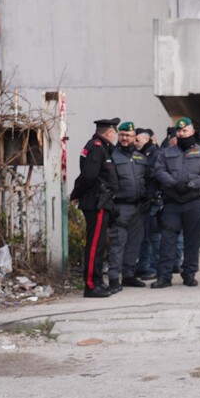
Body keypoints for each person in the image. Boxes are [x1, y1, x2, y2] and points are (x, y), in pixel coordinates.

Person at [151, 117, 200, 288]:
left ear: (192, 132)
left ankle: (189, 274)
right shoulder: (166, 152)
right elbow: (158, 170)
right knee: (168, 239)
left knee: (192, 239)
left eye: (185, 130)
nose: (181, 133)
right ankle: (164, 276)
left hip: (193, 201)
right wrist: (173, 184)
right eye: (179, 131)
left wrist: (191, 185)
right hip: (172, 202)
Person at [69, 118, 121, 298]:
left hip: (102, 201)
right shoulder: (96, 148)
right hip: (96, 201)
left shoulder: (102, 148)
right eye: (116, 132)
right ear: (109, 132)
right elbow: (89, 176)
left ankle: (98, 281)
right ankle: (91, 285)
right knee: (94, 246)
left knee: (99, 245)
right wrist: (76, 194)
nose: (116, 136)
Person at [107, 122, 149, 293]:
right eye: (122, 134)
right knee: (118, 243)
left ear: (134, 137)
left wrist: (148, 197)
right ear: (119, 136)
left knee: (134, 243)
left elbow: (147, 179)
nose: (125, 138)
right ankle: (113, 278)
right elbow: (107, 183)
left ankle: (129, 274)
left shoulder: (141, 157)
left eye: (129, 135)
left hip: (138, 207)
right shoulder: (111, 156)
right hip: (120, 206)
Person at [134, 128, 161, 280]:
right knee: (144, 236)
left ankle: (154, 267)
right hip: (145, 201)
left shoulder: (153, 154)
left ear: (145, 139)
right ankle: (143, 266)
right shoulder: (142, 154)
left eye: (137, 140)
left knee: (153, 236)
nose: (134, 143)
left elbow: (152, 178)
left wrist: (149, 198)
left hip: (153, 201)